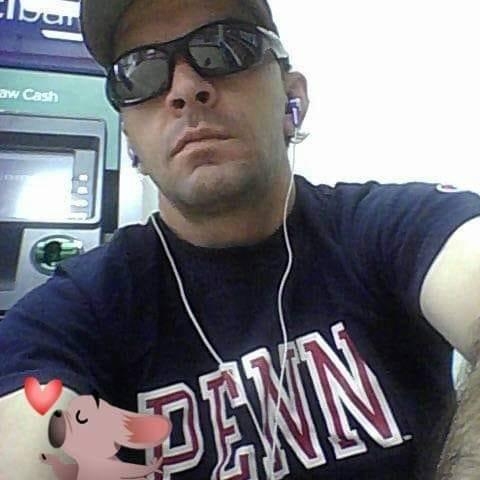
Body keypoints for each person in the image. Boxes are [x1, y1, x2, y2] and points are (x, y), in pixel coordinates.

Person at [0, 0, 479, 479]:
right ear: (132, 146)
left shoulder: (398, 228)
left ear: (293, 100)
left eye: (224, 46)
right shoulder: (76, 312)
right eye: (140, 71)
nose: (185, 89)